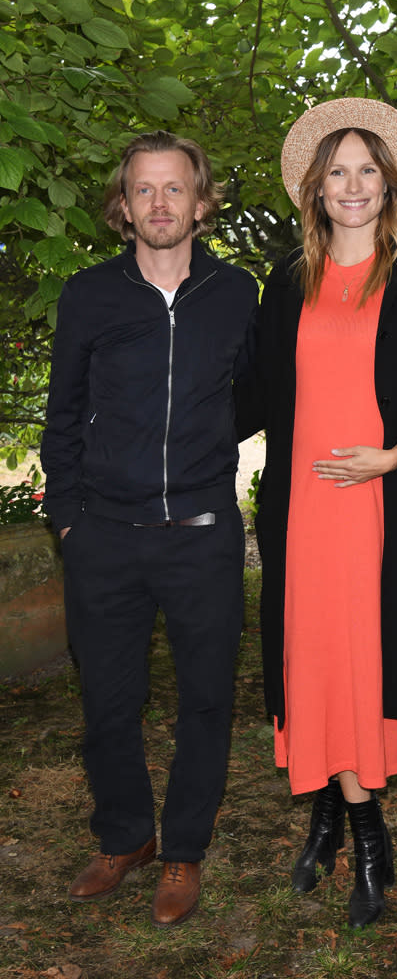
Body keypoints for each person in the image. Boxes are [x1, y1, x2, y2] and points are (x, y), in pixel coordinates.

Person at [236, 98, 397, 929]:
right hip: (304, 510)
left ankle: (356, 827)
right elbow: (253, 393)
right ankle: (349, 816)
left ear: (390, 184)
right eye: (337, 171)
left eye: (368, 169)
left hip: (382, 507)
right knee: (315, 657)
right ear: (315, 190)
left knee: (370, 659)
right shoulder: (286, 282)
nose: (354, 185)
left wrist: (396, 453)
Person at [41, 130, 258, 927]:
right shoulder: (88, 296)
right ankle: (125, 836)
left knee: (205, 701)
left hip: (200, 532)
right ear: (123, 205)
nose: (160, 204)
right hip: (104, 535)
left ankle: (183, 852)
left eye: (175, 189)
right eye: (144, 190)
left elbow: (252, 398)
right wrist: (69, 519)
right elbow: (60, 417)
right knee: (108, 700)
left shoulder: (237, 294)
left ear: (201, 203)